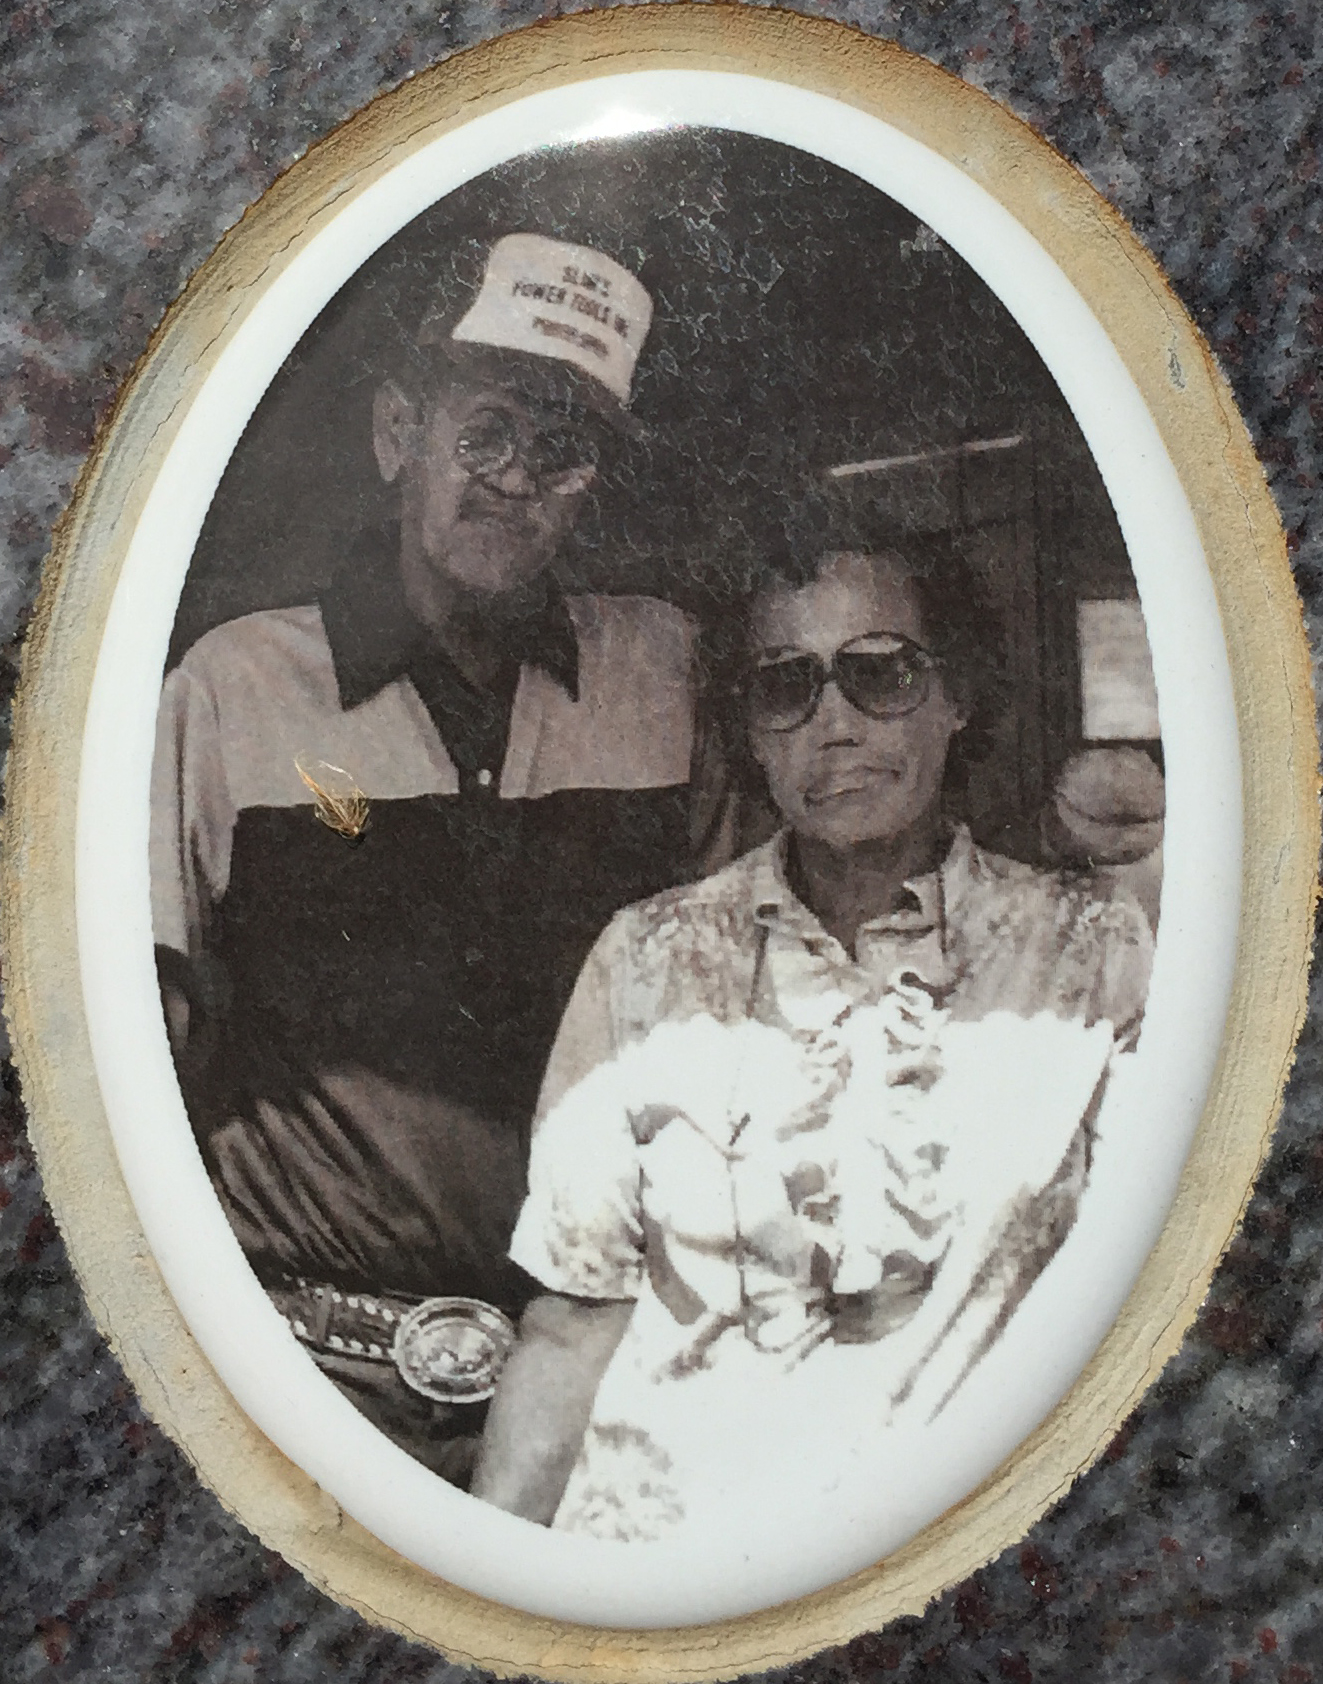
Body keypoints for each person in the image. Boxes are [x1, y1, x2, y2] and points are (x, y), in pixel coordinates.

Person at [472, 515, 1154, 1540]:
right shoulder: (647, 955)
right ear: (748, 731)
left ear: (959, 695)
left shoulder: (1087, 952)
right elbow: (573, 1324)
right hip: (655, 1566)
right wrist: (486, 1594)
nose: (833, 723)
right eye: (785, 686)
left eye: (881, 673)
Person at [150, 233, 700, 1484]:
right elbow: (140, 1044)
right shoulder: (234, 688)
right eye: (486, 431)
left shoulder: (665, 672)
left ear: (592, 484)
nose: (515, 481)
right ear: (399, 435)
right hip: (311, 1385)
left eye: (559, 450)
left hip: (599, 1392)